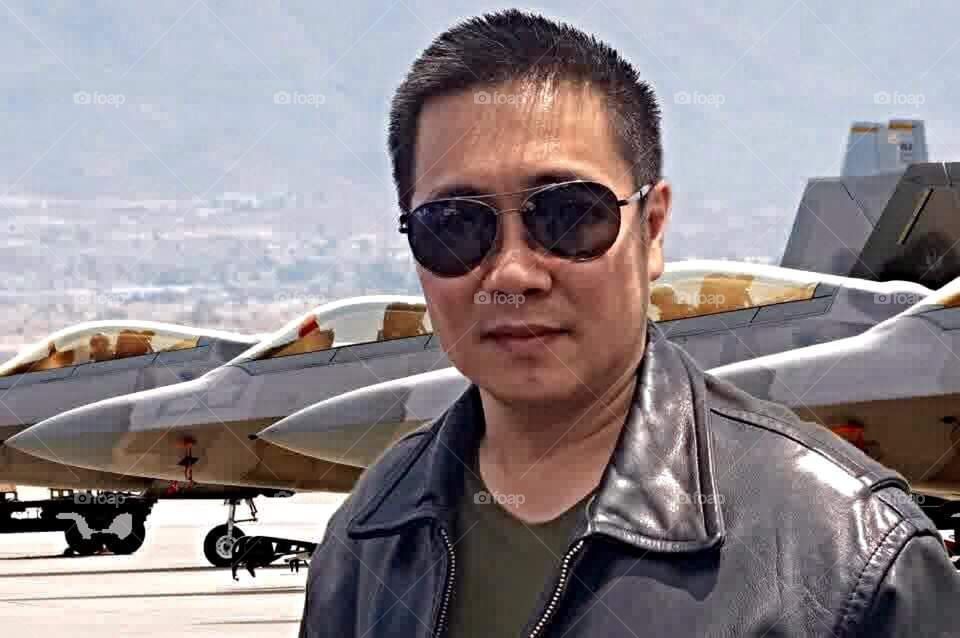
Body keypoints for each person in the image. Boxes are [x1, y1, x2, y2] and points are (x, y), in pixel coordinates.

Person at [299, 10, 960, 637]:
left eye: (568, 214)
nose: (511, 274)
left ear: (652, 228)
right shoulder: (367, 538)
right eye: (454, 225)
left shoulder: (851, 555)